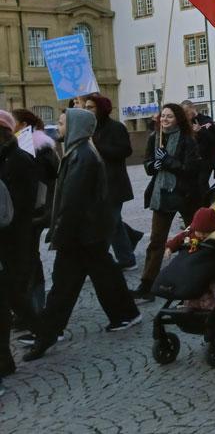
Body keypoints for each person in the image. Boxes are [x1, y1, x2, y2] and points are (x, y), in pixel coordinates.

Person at [23, 109, 142, 361]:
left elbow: (72, 202)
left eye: (64, 122)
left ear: (75, 126)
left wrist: (59, 232)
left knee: (66, 285)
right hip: (86, 233)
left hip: (81, 233)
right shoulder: (77, 153)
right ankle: (125, 314)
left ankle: (47, 334)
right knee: (95, 276)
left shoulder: (82, 156)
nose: (60, 127)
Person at [132, 103, 205, 302]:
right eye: (162, 116)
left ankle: (196, 281)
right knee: (156, 241)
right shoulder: (154, 138)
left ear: (178, 119)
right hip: (161, 194)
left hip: (184, 195)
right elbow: (148, 165)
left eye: (169, 117)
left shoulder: (187, 139)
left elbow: (191, 169)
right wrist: (153, 165)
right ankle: (147, 284)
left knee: (194, 238)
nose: (164, 120)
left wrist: (168, 161)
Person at [7, 110, 57, 330]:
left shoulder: (37, 147)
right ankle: (27, 310)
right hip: (23, 215)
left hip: (34, 213)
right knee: (23, 261)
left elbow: (43, 180)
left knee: (29, 261)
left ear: (23, 124)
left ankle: (35, 310)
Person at [83, 95, 140, 269]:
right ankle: (127, 257)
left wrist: (97, 146)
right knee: (114, 224)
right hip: (96, 185)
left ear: (100, 108)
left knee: (108, 224)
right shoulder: (89, 128)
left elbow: (124, 151)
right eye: (86, 107)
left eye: (91, 107)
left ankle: (101, 261)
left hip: (114, 184)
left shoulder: (116, 127)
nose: (87, 110)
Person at [0, 110, 37, 368]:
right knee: (11, 292)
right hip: (9, 235)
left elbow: (17, 205)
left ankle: (40, 329)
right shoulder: (7, 157)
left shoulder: (18, 159)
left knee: (12, 290)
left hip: (13, 235)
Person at [182, 100, 215, 181]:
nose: (185, 115)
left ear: (192, 108)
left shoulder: (206, 120)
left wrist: (200, 130)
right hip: (194, 159)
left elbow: (213, 139)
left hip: (207, 159)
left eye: (186, 111)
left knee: (202, 182)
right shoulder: (186, 124)